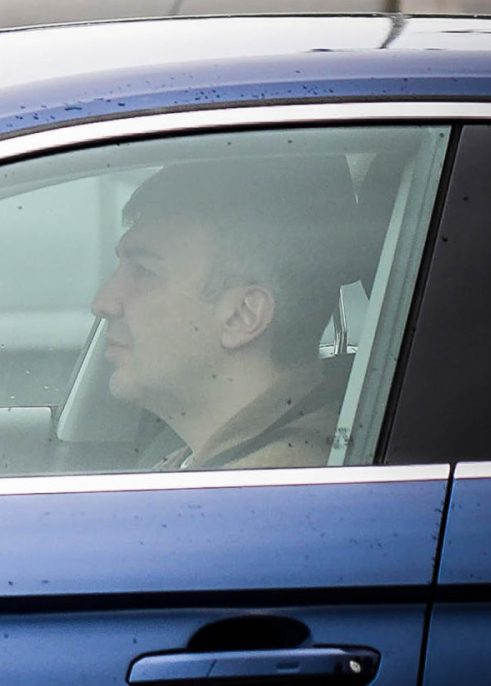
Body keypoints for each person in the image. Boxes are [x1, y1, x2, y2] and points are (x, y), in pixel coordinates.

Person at [89, 158, 366, 470]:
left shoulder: (270, 492)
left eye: (144, 272)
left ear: (241, 316)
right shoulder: (240, 463)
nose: (103, 302)